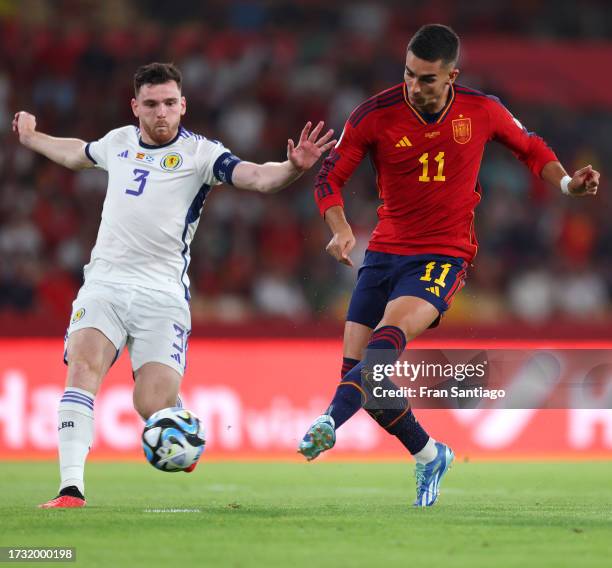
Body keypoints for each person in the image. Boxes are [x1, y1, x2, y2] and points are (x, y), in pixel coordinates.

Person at [298, 24, 599, 507]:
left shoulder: (482, 109)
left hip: (442, 254)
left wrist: (566, 186)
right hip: (383, 255)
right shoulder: (375, 114)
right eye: (409, 75)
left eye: (427, 79)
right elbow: (330, 175)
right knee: (365, 380)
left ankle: (328, 421)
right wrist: (337, 226)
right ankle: (429, 453)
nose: (415, 87)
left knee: (378, 358)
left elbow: (531, 147)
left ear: (452, 76)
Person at [13, 62, 336, 509]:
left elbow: (257, 177)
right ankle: (71, 489)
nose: (161, 113)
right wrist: (32, 138)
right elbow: (77, 153)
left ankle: (178, 424)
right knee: (82, 370)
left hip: (162, 295)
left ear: (183, 106)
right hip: (104, 283)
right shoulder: (119, 142)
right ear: (135, 108)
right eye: (151, 104)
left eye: (169, 103)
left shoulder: (203, 154)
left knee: (151, 405)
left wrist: (291, 168)